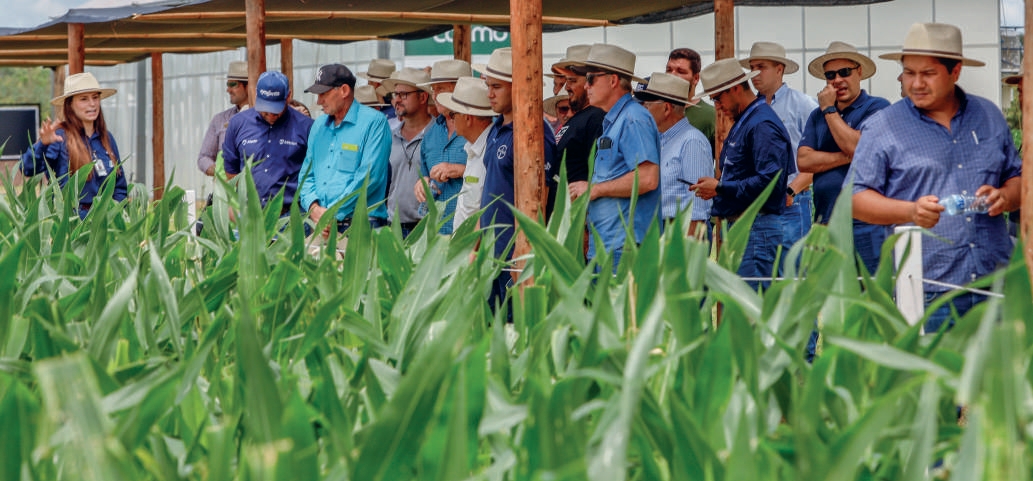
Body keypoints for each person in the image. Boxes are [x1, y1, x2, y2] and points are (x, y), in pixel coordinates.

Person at [851, 22, 1022, 333]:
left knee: (996, 381)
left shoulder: (989, 117)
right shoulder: (883, 126)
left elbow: (1019, 179)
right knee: (929, 380)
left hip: (995, 283)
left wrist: (1006, 197)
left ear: (955, 71)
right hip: (927, 288)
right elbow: (855, 199)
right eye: (908, 72)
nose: (915, 83)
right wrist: (910, 211)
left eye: (927, 73)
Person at [690, 58, 791, 290]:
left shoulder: (761, 123)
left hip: (757, 229)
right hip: (748, 229)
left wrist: (720, 187)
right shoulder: (749, 120)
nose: (716, 105)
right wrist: (719, 187)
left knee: (753, 312)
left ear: (736, 88)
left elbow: (770, 183)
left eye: (718, 97)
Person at [473, 47, 558, 310]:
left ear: (516, 87)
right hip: (491, 256)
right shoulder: (497, 129)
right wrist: (474, 246)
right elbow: (488, 193)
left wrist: (524, 253)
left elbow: (539, 198)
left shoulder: (533, 131)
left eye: (496, 86)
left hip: (514, 256)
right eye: (488, 85)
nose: (489, 93)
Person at [797, 42, 890, 274]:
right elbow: (804, 161)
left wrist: (830, 111)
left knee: (870, 297)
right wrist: (849, 155)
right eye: (831, 75)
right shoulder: (815, 115)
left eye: (844, 72)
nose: (837, 80)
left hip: (866, 224)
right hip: (826, 222)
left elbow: (857, 146)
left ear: (859, 72)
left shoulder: (877, 107)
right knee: (833, 303)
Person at [567, 43, 661, 269]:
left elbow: (648, 177)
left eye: (590, 78)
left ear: (613, 80)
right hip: (611, 245)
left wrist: (594, 190)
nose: (585, 85)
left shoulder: (633, 118)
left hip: (625, 247)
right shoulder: (616, 120)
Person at [741, 41, 818, 271]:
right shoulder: (749, 109)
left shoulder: (803, 105)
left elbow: (818, 157)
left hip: (790, 204)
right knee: (757, 281)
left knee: (790, 281)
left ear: (779, 69)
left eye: (761, 66)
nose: (755, 73)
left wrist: (791, 190)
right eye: (752, 67)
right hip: (755, 206)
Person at [299, 63, 392, 245]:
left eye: (323, 94)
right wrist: (314, 207)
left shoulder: (375, 123)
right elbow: (306, 175)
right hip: (320, 224)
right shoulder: (318, 126)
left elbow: (369, 178)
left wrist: (332, 213)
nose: (318, 101)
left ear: (344, 90)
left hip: (359, 227)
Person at [21, 72, 127, 219]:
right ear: (70, 104)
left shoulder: (107, 139)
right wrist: (42, 144)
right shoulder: (59, 138)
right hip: (72, 222)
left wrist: (118, 212)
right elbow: (28, 168)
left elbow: (120, 186)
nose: (92, 104)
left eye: (95, 97)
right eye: (84, 99)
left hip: (105, 223)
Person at [221, 71, 314, 213]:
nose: (270, 115)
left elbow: (314, 173)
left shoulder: (306, 127)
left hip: (290, 215)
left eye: (276, 110)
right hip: (251, 215)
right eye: (265, 109)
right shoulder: (237, 124)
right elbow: (231, 171)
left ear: (288, 97)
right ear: (257, 95)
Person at [634, 73, 713, 237]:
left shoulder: (691, 142)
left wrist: (686, 253)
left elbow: (696, 209)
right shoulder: (661, 140)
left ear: (666, 108)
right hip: (661, 230)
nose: (643, 110)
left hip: (679, 232)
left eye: (647, 105)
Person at [415, 59, 472, 235]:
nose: (434, 95)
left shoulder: (483, 128)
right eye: (433, 90)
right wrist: (422, 182)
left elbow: (497, 174)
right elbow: (425, 173)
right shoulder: (431, 133)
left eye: (440, 89)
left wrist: (461, 170)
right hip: (435, 234)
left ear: (460, 89)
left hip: (471, 234)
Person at [436, 76, 496, 232]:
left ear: (468, 118)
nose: (451, 119)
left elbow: (488, 212)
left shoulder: (491, 151)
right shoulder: (475, 148)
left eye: (453, 114)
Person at [382, 68, 433, 237]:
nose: (396, 100)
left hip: (427, 227)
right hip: (392, 226)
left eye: (403, 94)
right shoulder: (388, 136)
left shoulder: (438, 134)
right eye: (394, 95)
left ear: (423, 97)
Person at [555, 45, 605, 186]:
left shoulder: (596, 117)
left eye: (573, 81)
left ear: (590, 82)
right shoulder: (581, 117)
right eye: (567, 81)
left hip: (577, 205)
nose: (567, 87)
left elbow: (597, 170)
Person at [198, 61, 249, 177]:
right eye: (228, 85)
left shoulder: (264, 117)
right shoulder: (220, 120)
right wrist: (220, 172)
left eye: (233, 85)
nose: (228, 90)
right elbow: (203, 157)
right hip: (227, 192)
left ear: (248, 86)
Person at [666, 48, 716, 156]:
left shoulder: (711, 116)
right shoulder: (656, 111)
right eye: (669, 70)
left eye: (681, 71)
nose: (672, 75)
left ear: (696, 78)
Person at [358, 58, 399, 127]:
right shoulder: (399, 105)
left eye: (369, 82)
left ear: (376, 84)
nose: (367, 85)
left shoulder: (393, 112)